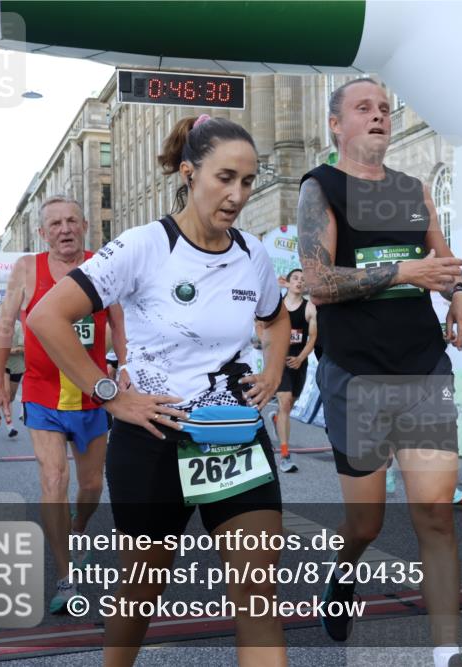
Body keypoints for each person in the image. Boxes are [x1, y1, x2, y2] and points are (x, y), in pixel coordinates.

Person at [28, 115, 290, 666]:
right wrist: (108, 393)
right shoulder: (144, 246)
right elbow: (48, 316)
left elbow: (276, 316)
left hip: (234, 440)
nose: (237, 195)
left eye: (247, 181)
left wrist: (271, 372)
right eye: (225, 178)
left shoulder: (253, 254)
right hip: (153, 439)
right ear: (190, 174)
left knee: (258, 599)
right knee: (140, 596)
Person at [297, 78, 462, 667]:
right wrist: (405, 273)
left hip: (422, 366)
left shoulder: (413, 191)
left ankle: (448, 651)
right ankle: (343, 574)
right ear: (335, 125)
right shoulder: (319, 187)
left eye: (384, 109)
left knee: (433, 513)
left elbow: (446, 264)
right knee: (366, 522)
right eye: (362, 108)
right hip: (356, 371)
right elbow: (320, 283)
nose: (378, 116)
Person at [0, 195, 127, 615]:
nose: (64, 229)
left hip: (93, 394)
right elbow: (5, 322)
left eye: (71, 221)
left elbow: (120, 323)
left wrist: (127, 368)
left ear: (84, 226)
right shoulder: (27, 268)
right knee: (53, 478)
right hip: (43, 392)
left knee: (90, 487)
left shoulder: (103, 263)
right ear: (42, 232)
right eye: (55, 224)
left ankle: (79, 525)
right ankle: (67, 578)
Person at [274, 268, 317, 473]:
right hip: (278, 361)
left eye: (303, 279)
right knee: (284, 402)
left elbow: (313, 338)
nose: (299, 282)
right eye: (295, 278)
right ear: (288, 282)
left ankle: (276, 419)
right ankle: (285, 455)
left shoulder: (310, 308)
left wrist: (301, 358)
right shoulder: (277, 305)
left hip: (298, 362)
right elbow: (260, 325)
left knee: (289, 404)